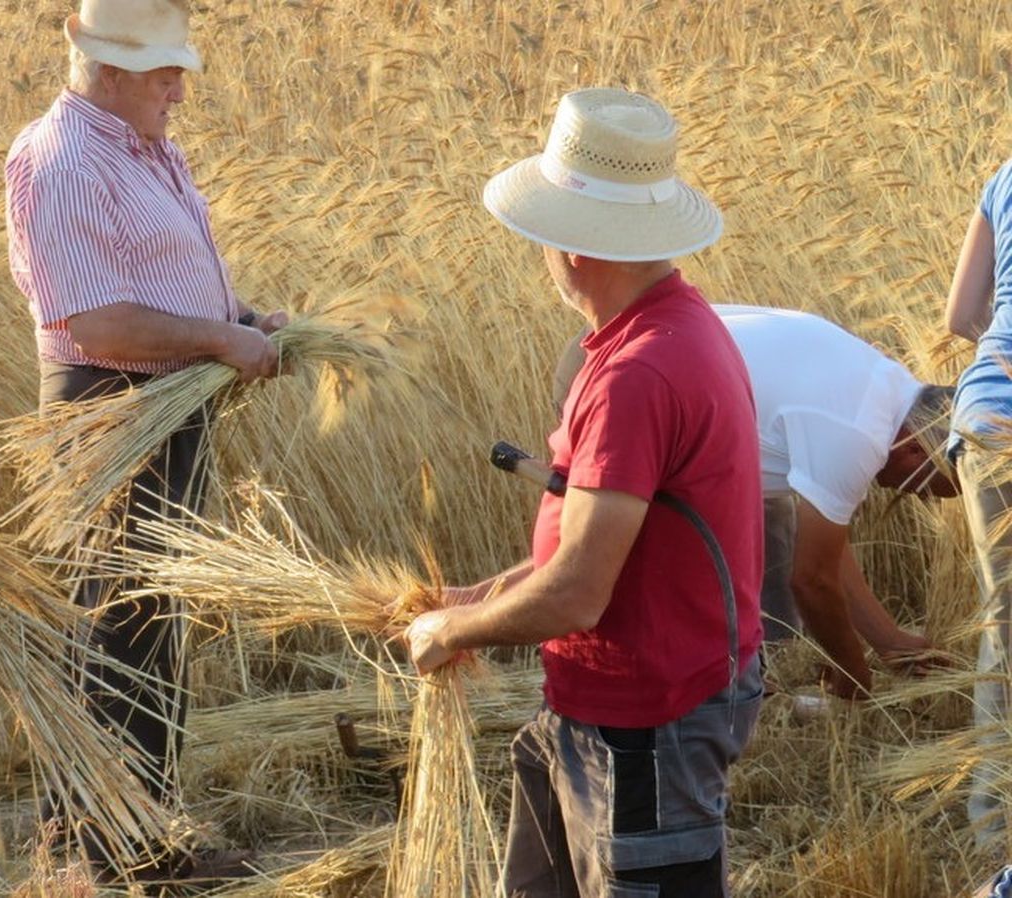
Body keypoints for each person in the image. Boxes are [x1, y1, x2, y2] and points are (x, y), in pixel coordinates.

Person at [403, 88, 764, 897]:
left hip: (645, 727)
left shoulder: (639, 374)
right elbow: (604, 547)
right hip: (613, 705)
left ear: (571, 248)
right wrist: (483, 596)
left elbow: (577, 592)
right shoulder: (672, 331)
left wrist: (453, 629)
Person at [4, 0, 285, 884]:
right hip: (109, 412)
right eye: (167, 74)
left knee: (151, 619)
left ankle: (124, 835)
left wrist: (240, 322)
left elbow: (158, 280)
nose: (180, 90)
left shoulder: (144, 147)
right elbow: (95, 322)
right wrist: (218, 340)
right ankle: (118, 854)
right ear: (111, 69)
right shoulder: (63, 161)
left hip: (162, 405)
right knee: (116, 625)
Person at [552, 305, 957, 699]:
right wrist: (855, 678)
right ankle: (685, 689)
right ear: (916, 451)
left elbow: (824, 551)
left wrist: (890, 643)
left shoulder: (890, 389)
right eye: (925, 488)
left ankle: (763, 676)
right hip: (607, 376)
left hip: (621, 346)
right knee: (693, 538)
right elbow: (813, 581)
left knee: (767, 515)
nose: (915, 495)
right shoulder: (860, 434)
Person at [944, 152, 1012, 844]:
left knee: (1005, 622)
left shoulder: (1004, 175)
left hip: (987, 414)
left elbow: (961, 315)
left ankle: (993, 822)